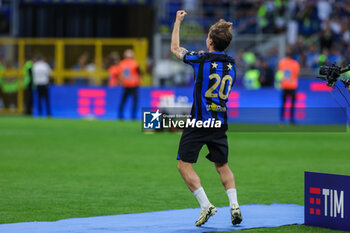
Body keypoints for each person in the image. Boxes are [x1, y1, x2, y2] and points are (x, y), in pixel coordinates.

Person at [171, 10, 242, 227]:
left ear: (210, 41)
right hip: (220, 121)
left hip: (200, 121)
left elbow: (175, 49)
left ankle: (206, 205)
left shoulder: (201, 60)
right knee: (222, 165)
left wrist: (177, 21)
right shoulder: (232, 65)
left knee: (184, 165)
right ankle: (235, 206)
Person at [118, 49, 141, 120]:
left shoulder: (122, 63)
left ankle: (120, 116)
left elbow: (120, 74)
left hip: (126, 84)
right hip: (134, 85)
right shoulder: (135, 63)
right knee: (134, 101)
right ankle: (133, 116)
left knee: (123, 100)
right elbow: (139, 72)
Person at [278, 49, 300, 124]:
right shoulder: (295, 63)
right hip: (293, 86)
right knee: (292, 104)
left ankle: (281, 120)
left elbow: (280, 72)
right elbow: (296, 74)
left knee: (283, 104)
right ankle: (291, 120)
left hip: (284, 85)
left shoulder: (281, 62)